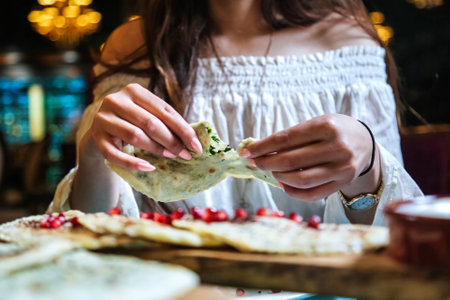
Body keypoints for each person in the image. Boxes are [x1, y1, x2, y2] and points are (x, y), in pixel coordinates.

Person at [48, 0, 423, 226]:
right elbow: (96, 234)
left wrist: (368, 163)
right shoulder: (133, 45)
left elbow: (386, 234)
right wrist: (94, 157)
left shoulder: (348, 40)